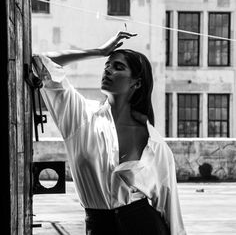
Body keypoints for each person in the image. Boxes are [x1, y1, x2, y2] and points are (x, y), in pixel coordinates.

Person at [32, 31, 186, 235]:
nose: (108, 70)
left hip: (145, 226)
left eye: (118, 67)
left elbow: (170, 208)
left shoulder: (155, 143)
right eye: (107, 65)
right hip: (98, 226)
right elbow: (41, 63)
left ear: (137, 83)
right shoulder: (80, 117)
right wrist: (99, 51)